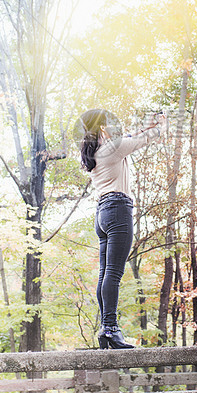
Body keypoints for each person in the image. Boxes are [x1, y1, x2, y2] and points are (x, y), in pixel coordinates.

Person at [78, 109, 167, 349]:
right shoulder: (112, 149)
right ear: (103, 128)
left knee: (104, 273)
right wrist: (161, 126)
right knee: (113, 274)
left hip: (102, 213)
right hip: (118, 209)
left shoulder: (96, 151)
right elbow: (145, 139)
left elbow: (132, 135)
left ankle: (106, 328)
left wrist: (146, 125)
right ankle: (110, 328)